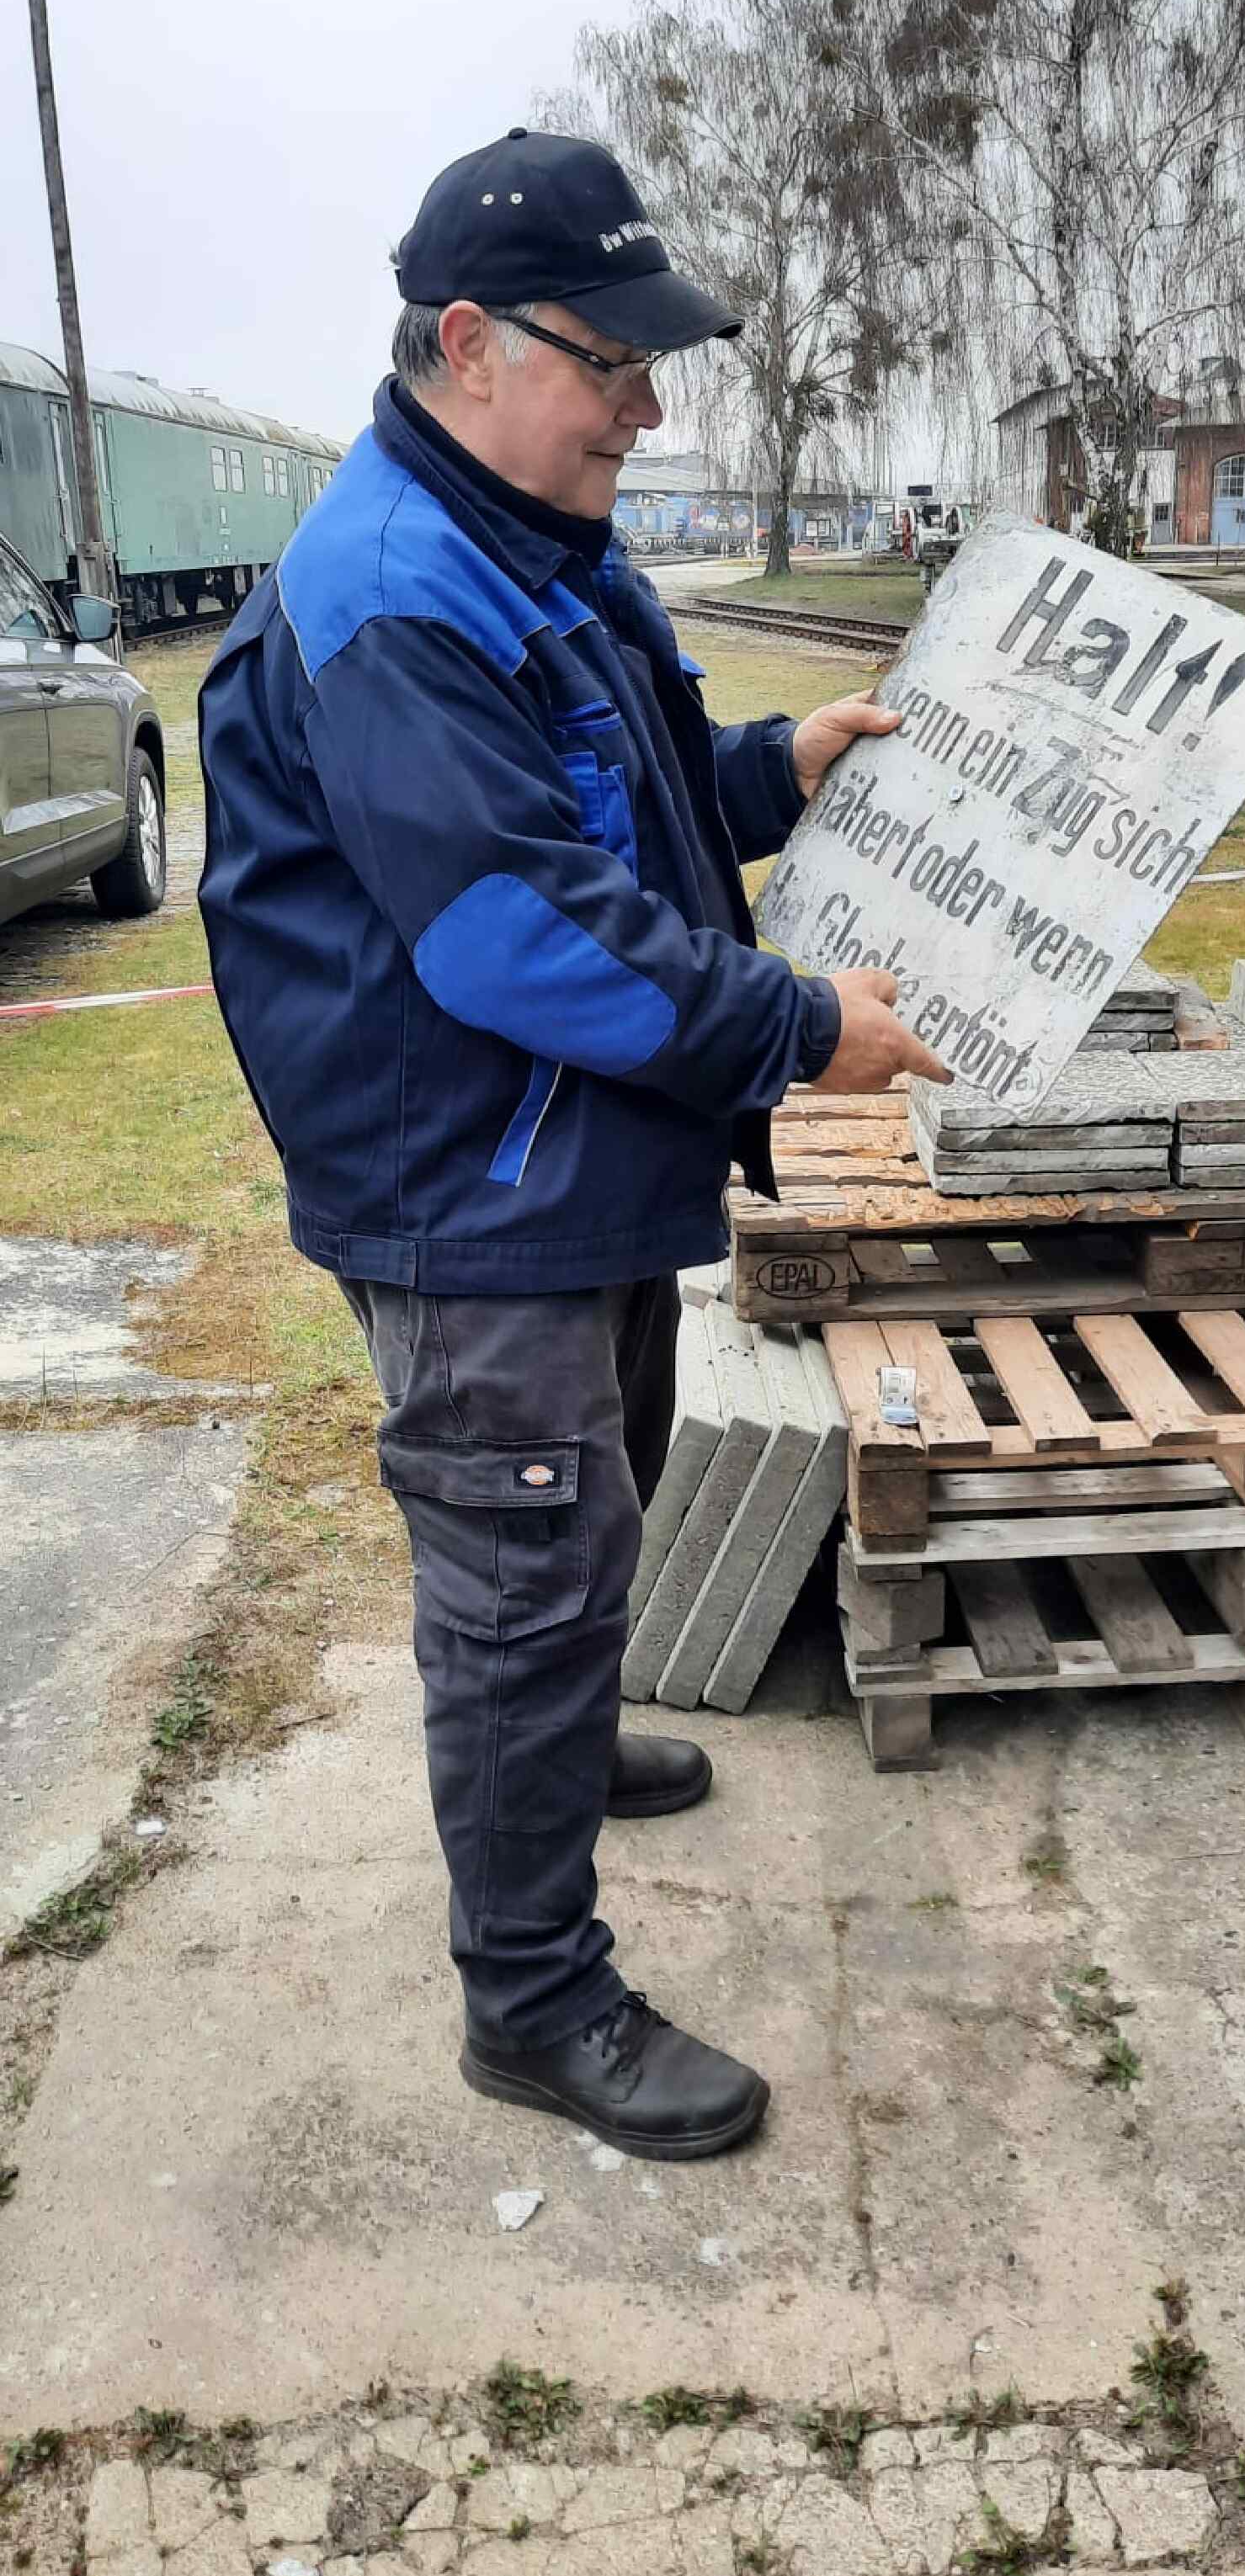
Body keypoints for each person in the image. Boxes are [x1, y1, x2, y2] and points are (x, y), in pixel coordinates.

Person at [197, 127, 949, 2164]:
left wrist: (771, 768)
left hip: (563, 1155)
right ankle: (532, 1999)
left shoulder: (534, 539)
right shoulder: (396, 593)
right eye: (608, 363)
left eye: (646, 363)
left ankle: (559, 1742)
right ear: (466, 343)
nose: (645, 407)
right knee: (523, 1570)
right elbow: (515, 928)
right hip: (467, 1182)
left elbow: (602, 805)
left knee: (591, 1501)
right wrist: (800, 1029)